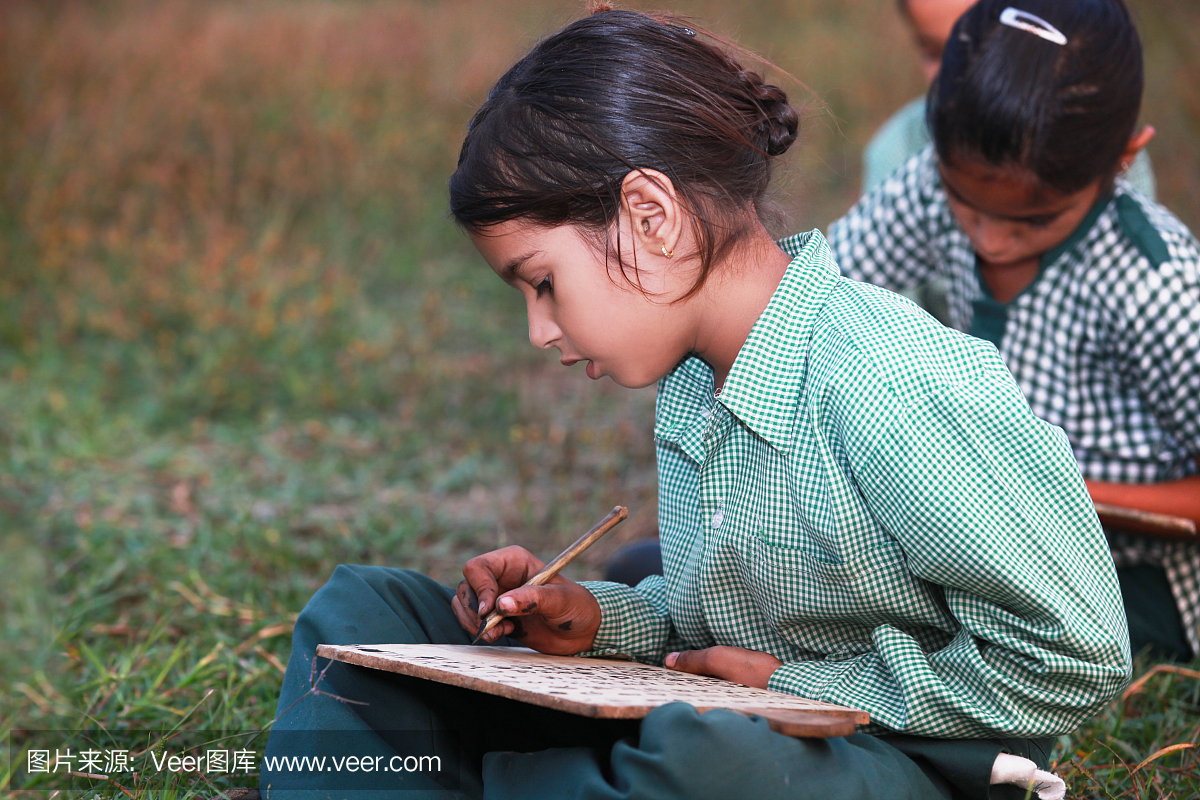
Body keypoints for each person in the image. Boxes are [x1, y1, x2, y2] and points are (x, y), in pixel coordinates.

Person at [261, 8, 1130, 799]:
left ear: (650, 216)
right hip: (722, 723)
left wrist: (798, 688)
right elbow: (717, 627)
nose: (539, 330)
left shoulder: (889, 386)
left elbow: (1073, 654)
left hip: (893, 759)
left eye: (543, 284)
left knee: (704, 760)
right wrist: (592, 620)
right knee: (364, 612)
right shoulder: (690, 380)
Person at [826, 0, 1200, 662]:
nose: (992, 241)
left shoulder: (1155, 284)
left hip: (1134, 574)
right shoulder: (935, 181)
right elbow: (820, 295)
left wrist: (1057, 490)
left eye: (1033, 222)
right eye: (968, 210)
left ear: (1123, 158)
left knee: (904, 619)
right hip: (987, 535)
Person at [862, 0, 1155, 197]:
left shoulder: (1096, 140)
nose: (953, 71)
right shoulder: (898, 150)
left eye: (979, 42)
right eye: (933, 52)